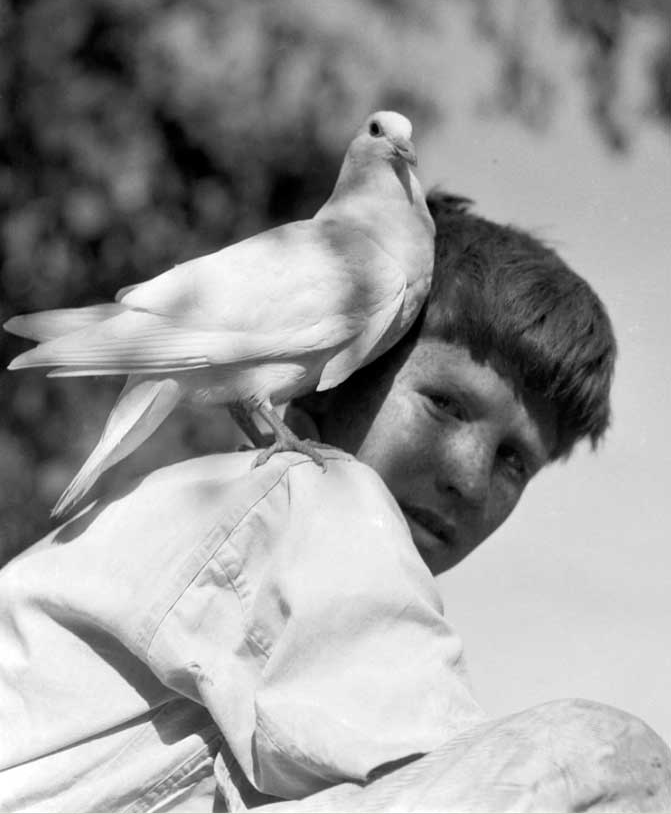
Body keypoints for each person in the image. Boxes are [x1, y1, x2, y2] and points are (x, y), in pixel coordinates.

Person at [0, 192, 669, 813]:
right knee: (598, 755)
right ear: (330, 374)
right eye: (442, 406)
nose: (468, 476)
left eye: (513, 461)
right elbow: (437, 759)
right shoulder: (309, 499)